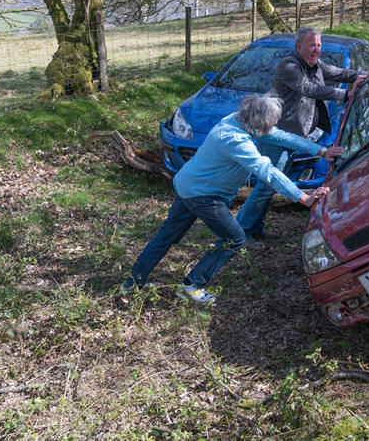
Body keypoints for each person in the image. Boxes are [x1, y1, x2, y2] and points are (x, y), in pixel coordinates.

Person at [121, 95, 342, 305]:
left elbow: (282, 136)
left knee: (166, 236)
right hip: (203, 196)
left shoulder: (238, 119)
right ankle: (191, 285)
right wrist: (302, 197)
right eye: (272, 124)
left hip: (187, 185)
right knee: (235, 237)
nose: (274, 128)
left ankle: (132, 284)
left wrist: (321, 150)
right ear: (258, 123)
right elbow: (267, 171)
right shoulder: (235, 141)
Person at [236, 27, 369, 239]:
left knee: (271, 185)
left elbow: (337, 72)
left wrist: (366, 75)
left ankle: (254, 229)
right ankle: (242, 232)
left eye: (319, 45)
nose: (316, 50)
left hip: (293, 136)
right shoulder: (290, 66)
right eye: (312, 45)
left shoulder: (314, 64)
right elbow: (309, 89)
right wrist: (347, 94)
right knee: (266, 187)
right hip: (278, 136)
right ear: (299, 47)